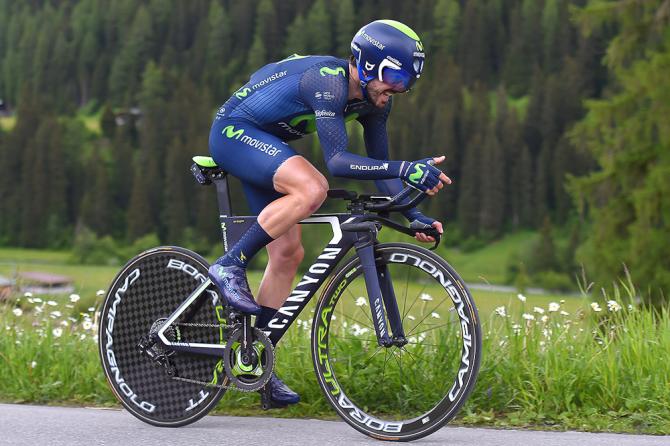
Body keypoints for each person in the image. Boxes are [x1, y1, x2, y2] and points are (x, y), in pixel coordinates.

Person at [207, 19, 451, 407]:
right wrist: (408, 168)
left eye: (408, 82)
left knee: (288, 254)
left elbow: (380, 167)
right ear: (368, 65)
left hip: (266, 143)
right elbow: (337, 161)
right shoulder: (329, 82)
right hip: (235, 132)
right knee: (313, 188)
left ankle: (254, 362)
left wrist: (414, 215)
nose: (399, 89)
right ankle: (229, 265)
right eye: (395, 77)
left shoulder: (375, 102)